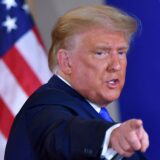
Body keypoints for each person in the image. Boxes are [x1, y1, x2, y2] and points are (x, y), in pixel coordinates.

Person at [5, 5, 149, 160]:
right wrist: (110, 136)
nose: (116, 65)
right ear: (66, 62)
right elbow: (64, 132)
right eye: (100, 53)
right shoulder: (44, 107)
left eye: (121, 52)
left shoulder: (96, 115)